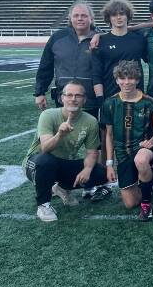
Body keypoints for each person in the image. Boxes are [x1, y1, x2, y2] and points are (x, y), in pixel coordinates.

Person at [24, 80, 107, 222]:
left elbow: (92, 152)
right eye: (69, 95)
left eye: (78, 95)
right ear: (61, 98)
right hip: (37, 163)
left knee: (100, 173)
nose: (73, 99)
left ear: (84, 99)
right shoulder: (48, 115)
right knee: (46, 161)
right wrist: (60, 134)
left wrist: (87, 169)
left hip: (63, 163)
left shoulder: (91, 121)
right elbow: (45, 148)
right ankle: (43, 205)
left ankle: (62, 188)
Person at [101, 61, 153, 221]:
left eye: (130, 78)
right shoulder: (110, 103)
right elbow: (109, 135)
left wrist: (151, 141)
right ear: (116, 80)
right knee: (130, 203)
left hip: (145, 150)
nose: (126, 82)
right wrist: (109, 164)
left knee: (141, 160)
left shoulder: (149, 102)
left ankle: (146, 205)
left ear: (137, 80)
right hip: (123, 153)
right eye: (122, 78)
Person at [34, 1, 99, 116]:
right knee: (64, 132)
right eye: (76, 15)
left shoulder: (100, 39)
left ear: (91, 18)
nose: (80, 19)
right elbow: (45, 67)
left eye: (84, 15)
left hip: (91, 102)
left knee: (90, 132)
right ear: (70, 18)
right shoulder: (57, 38)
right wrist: (40, 92)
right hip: (63, 100)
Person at [92, 0, 146, 100]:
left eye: (122, 14)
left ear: (127, 16)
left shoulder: (139, 39)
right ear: (109, 18)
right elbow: (96, 74)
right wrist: (100, 97)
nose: (118, 17)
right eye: (114, 15)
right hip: (110, 95)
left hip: (136, 96)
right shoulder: (100, 41)